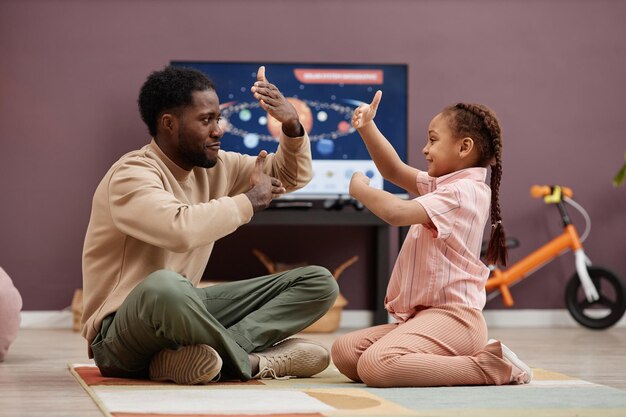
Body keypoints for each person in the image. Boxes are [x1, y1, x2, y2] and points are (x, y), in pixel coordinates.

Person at [81, 65, 339, 384]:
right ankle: (255, 362)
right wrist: (248, 201)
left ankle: (189, 360)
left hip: (183, 308)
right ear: (169, 124)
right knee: (165, 285)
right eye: (206, 120)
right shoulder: (131, 175)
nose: (218, 129)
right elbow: (180, 230)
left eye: (218, 118)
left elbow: (288, 176)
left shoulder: (215, 166)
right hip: (118, 336)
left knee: (318, 282)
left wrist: (291, 125)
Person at [331, 91, 532, 387]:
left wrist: (360, 190)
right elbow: (394, 170)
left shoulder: (462, 193)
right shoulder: (446, 186)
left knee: (377, 365)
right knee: (346, 352)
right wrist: (367, 126)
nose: (425, 149)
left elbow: (396, 212)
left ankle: (492, 367)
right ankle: (449, 360)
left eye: (433, 140)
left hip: (455, 320)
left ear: (464, 147)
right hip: (427, 318)